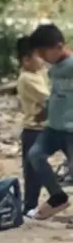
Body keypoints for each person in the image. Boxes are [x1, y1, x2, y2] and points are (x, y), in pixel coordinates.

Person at [27, 23, 73, 217]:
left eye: (44, 53)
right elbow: (55, 94)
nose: (43, 59)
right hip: (54, 128)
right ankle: (57, 195)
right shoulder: (53, 70)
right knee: (35, 154)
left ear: (59, 46)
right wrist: (45, 111)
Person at [15, 35, 62, 219]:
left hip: (45, 126)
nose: (42, 60)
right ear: (26, 59)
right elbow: (48, 96)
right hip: (33, 129)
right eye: (38, 56)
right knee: (32, 171)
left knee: (34, 168)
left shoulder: (39, 72)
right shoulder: (27, 78)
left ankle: (32, 205)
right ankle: (31, 206)